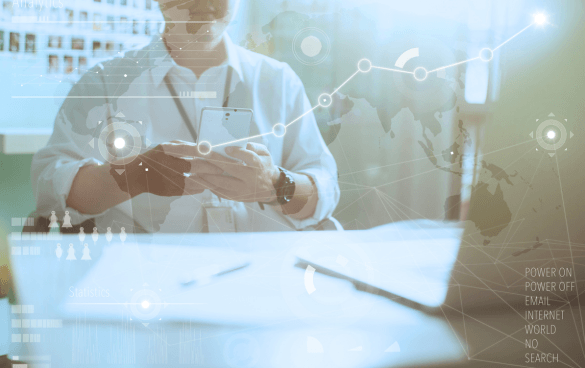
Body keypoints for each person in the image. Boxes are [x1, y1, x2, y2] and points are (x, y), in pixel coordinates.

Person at [31, 0, 339, 233]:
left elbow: (325, 189)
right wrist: (130, 178)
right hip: (147, 285)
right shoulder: (104, 82)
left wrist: (276, 185)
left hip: (261, 281)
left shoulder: (279, 81)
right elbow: (52, 190)